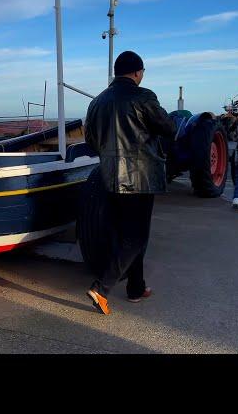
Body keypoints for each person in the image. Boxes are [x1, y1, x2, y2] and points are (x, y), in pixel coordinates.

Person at [83, 51, 177, 315]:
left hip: (108, 176)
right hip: (139, 177)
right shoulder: (144, 96)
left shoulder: (97, 102)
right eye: (142, 72)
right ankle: (101, 289)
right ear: (137, 72)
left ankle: (136, 288)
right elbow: (169, 128)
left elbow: (91, 141)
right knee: (136, 238)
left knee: (123, 234)